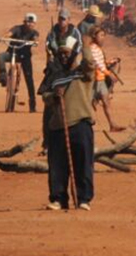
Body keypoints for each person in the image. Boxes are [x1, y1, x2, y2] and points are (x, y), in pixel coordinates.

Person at [41, 26, 95, 211]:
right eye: (61, 53)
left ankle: (83, 199)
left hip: (80, 124)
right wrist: (54, 96)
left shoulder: (84, 73)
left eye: (67, 53)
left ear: (74, 54)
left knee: (83, 165)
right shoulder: (54, 75)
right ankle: (58, 198)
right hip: (58, 126)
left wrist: (86, 45)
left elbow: (89, 62)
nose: (64, 57)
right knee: (57, 167)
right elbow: (45, 97)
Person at [0, 13, 40, 113]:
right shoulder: (17, 29)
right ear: (24, 22)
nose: (30, 24)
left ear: (34, 24)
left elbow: (36, 39)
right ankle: (3, 75)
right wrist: (3, 37)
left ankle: (32, 103)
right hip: (12, 53)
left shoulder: (34, 33)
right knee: (1, 56)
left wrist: (35, 42)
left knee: (29, 79)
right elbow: (9, 33)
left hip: (25, 58)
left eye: (32, 23)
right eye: (28, 22)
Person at [89, 26, 124, 132]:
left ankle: (112, 125)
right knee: (90, 103)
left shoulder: (97, 48)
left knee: (106, 102)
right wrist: (109, 74)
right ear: (94, 36)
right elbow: (99, 64)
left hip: (100, 79)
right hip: (93, 80)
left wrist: (111, 61)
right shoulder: (93, 48)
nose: (103, 38)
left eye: (104, 35)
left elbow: (102, 63)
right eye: (101, 35)